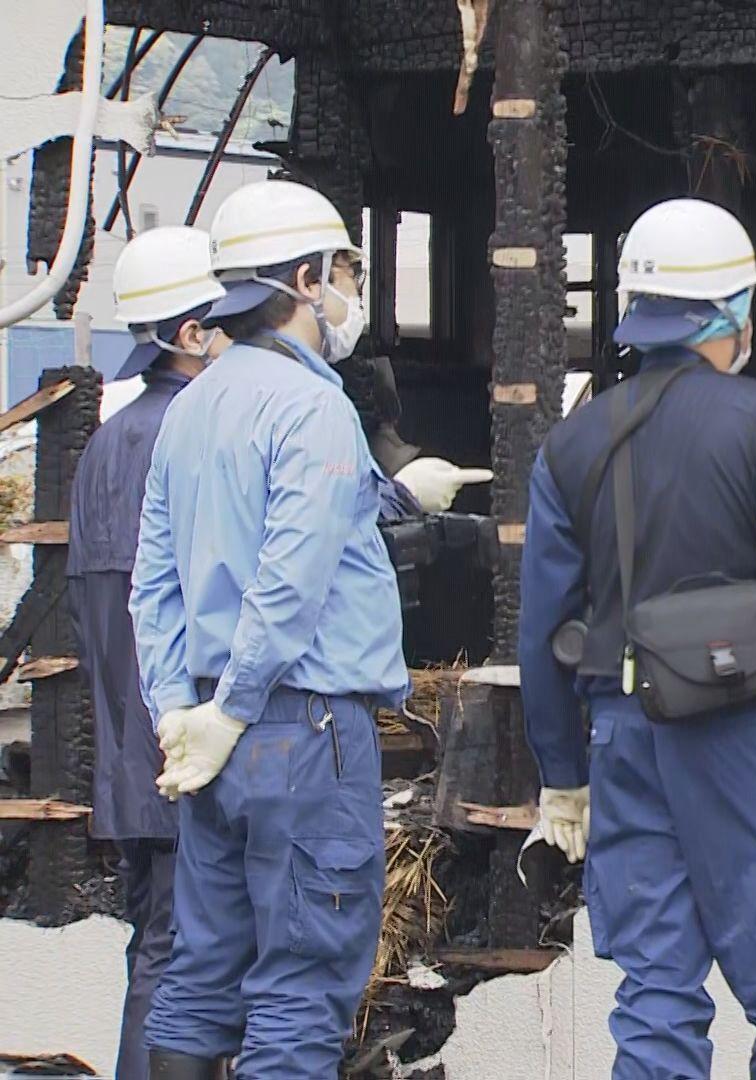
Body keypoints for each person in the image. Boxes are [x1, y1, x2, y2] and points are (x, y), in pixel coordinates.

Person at [518, 197, 756, 1079]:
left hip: (624, 739)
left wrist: (562, 775)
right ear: (732, 313)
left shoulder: (570, 446)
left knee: (657, 999)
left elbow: (541, 629)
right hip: (748, 730)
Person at [129, 179, 406, 1080]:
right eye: (342, 273)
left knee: (201, 974)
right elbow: (290, 585)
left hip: (211, 732)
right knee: (302, 982)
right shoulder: (313, 405)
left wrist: (182, 712)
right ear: (302, 278)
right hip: (302, 727)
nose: (347, 294)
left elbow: (154, 582)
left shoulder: (192, 407)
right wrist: (239, 705)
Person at [68, 226, 227, 1080]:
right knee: (179, 958)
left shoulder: (102, 448)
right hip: (180, 756)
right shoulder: (190, 436)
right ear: (191, 332)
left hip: (131, 760)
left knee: (156, 949)